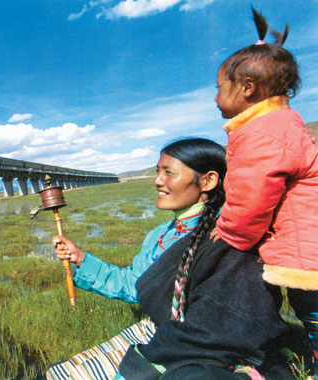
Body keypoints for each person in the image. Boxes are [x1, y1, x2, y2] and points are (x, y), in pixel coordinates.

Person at [46, 138, 291, 380]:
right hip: (161, 332)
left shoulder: (229, 236)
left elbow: (227, 318)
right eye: (156, 172)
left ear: (208, 181)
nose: (157, 181)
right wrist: (81, 259)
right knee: (59, 374)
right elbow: (136, 284)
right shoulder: (160, 235)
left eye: (168, 173)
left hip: (206, 349)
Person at [210, 8, 318, 379]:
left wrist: (228, 232)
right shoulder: (283, 124)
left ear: (247, 89)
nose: (214, 98)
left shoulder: (261, 134)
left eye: (219, 88)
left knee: (314, 312)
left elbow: (250, 199)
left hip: (311, 260)